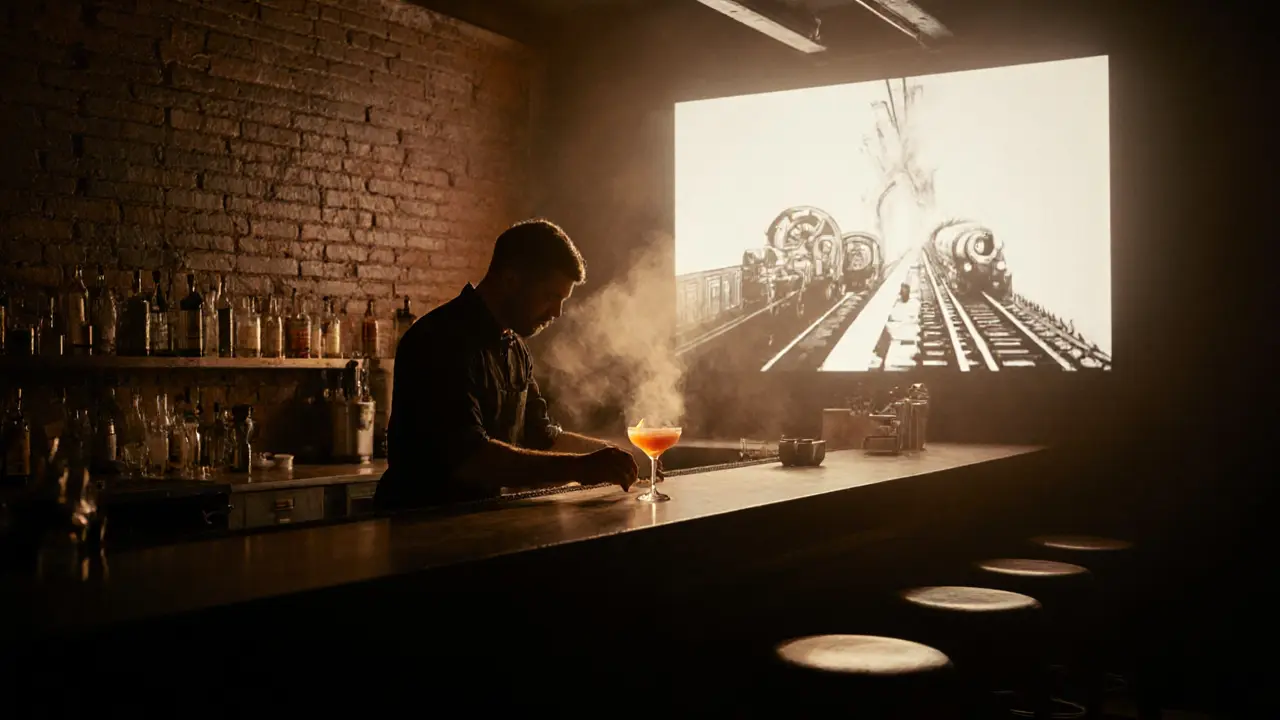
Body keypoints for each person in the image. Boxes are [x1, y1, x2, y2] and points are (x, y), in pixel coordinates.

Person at [374, 219, 640, 510]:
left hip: (479, 525)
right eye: (551, 296)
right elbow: (469, 459)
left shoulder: (515, 349)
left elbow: (541, 436)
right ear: (511, 279)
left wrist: (613, 456)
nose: (557, 312)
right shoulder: (439, 340)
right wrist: (581, 468)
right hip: (420, 529)